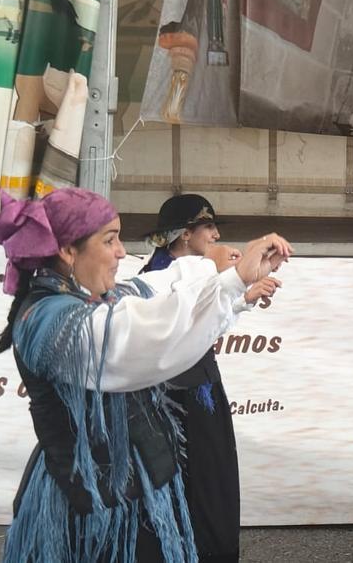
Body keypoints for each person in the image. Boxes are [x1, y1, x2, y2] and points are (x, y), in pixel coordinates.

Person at [0, 187, 292, 562]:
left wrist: (219, 272)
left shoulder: (82, 298)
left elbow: (154, 288)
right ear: (67, 251)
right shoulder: (53, 321)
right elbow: (140, 335)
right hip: (92, 511)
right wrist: (232, 278)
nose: (121, 252)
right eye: (109, 240)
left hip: (121, 494)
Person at [141, 193, 280, 563]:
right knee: (181, 483)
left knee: (211, 481)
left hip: (201, 391)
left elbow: (202, 328)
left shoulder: (202, 273)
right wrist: (233, 289)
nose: (216, 234)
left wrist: (241, 300)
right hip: (170, 401)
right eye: (208, 226)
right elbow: (175, 333)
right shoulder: (155, 279)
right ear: (185, 234)